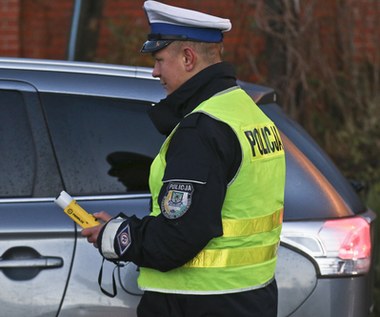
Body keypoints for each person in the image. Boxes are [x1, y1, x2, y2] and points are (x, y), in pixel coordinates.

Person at [82, 1, 286, 316]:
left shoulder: (201, 129)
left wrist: (117, 236)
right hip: (248, 298)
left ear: (187, 58)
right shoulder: (247, 113)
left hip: (197, 303)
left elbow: (177, 237)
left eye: (160, 60)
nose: (155, 71)